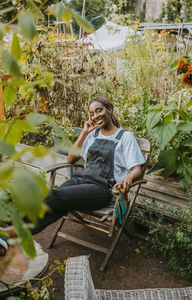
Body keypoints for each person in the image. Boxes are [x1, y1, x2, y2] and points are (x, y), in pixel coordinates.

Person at [1, 96, 145, 245]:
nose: (96, 115)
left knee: (52, 196)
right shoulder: (93, 135)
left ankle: (10, 226)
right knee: (56, 206)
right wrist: (85, 132)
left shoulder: (125, 137)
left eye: (99, 110)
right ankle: (10, 234)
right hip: (80, 180)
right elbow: (71, 159)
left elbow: (137, 169)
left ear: (110, 109)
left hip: (100, 188)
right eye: (91, 113)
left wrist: (129, 177)